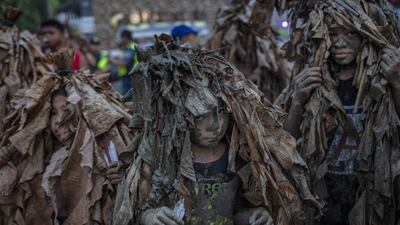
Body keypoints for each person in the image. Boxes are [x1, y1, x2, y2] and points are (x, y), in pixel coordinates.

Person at [112, 34, 321, 225]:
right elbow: (133, 209)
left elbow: (237, 210)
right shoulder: (161, 156)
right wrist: (149, 216)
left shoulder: (238, 155)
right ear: (179, 115)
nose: (214, 124)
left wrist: (254, 215)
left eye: (221, 112)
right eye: (201, 115)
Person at [275, 0, 400, 224]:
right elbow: (283, 147)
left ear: (366, 33)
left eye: (350, 32)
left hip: (373, 200)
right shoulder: (310, 81)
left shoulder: (385, 79)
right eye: (333, 32)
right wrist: (298, 102)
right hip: (323, 202)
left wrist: (397, 85)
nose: (340, 42)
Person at [0, 49, 132, 225]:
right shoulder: (40, 158)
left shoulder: (103, 155)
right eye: (53, 113)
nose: (58, 121)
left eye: (67, 112)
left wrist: (122, 182)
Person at [106, 30, 139, 94]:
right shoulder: (129, 47)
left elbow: (123, 63)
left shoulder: (131, 48)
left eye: (121, 38)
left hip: (131, 78)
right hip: (130, 77)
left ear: (124, 38)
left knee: (129, 98)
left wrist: (111, 59)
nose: (120, 40)